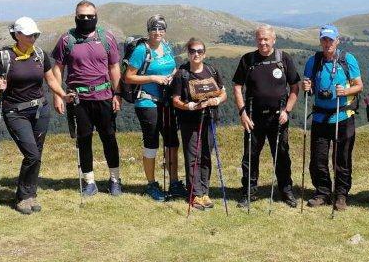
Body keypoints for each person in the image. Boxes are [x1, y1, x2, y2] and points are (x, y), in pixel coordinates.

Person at [0, 17, 73, 214]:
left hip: (40, 110)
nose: (33, 38)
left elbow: (50, 79)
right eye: (29, 35)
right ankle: (23, 197)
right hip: (15, 111)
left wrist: (63, 95)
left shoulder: (40, 54)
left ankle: (30, 194)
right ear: (17, 35)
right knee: (32, 154)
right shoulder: (5, 57)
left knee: (37, 154)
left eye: (35, 34)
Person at [51, 0, 123, 197]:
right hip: (78, 98)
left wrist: (118, 93)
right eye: (81, 16)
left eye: (90, 16)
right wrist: (58, 95)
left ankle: (115, 179)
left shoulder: (107, 38)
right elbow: (58, 68)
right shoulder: (67, 40)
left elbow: (114, 67)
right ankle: (89, 182)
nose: (85, 20)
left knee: (109, 138)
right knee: (84, 140)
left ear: (96, 17)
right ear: (75, 17)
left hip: (104, 95)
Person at [232, 25, 302, 209]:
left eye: (266, 39)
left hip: (278, 117)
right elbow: (237, 86)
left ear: (274, 39)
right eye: (260, 39)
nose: (263, 42)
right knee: (250, 156)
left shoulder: (283, 58)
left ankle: (286, 190)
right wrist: (242, 113)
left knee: (282, 156)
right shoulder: (248, 60)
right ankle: (249, 191)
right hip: (253, 118)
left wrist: (287, 110)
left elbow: (295, 86)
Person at [301, 25, 363, 211]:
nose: (327, 43)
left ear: (337, 41)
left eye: (330, 40)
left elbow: (359, 85)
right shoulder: (314, 61)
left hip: (343, 115)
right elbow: (310, 88)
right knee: (318, 159)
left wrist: (345, 91)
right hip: (320, 117)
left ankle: (341, 195)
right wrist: (307, 87)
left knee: (341, 159)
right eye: (324, 40)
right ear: (321, 41)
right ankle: (322, 192)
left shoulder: (347, 59)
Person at [123, 14, 184, 202]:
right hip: (147, 102)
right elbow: (128, 77)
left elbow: (172, 67)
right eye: (154, 29)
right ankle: (151, 184)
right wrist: (154, 78)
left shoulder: (166, 46)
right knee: (151, 143)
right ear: (148, 31)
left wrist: (173, 75)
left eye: (161, 29)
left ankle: (174, 181)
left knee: (172, 142)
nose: (158, 32)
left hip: (167, 101)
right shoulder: (142, 50)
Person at [171, 38, 227, 211]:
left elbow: (223, 93)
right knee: (193, 156)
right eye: (193, 51)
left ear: (204, 53)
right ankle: (194, 194)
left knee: (206, 155)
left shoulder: (212, 70)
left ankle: (204, 192)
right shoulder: (182, 74)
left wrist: (216, 100)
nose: (196, 54)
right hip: (189, 121)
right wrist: (189, 106)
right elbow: (175, 100)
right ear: (188, 53)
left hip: (210, 119)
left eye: (199, 51)